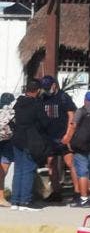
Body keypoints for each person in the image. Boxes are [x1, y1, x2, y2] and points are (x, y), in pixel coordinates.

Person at [10, 79, 49, 212]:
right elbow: (44, 123)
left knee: (18, 170)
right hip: (30, 141)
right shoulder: (37, 104)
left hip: (17, 139)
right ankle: (25, 201)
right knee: (28, 170)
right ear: (37, 91)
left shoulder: (18, 103)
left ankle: (15, 201)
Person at [40, 75, 77, 201]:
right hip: (49, 138)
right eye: (44, 88)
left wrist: (68, 135)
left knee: (70, 163)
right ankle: (56, 192)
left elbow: (72, 116)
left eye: (48, 87)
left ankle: (78, 192)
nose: (46, 90)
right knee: (51, 164)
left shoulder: (63, 97)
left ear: (54, 85)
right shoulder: (43, 98)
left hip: (63, 137)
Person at [0, 92, 16, 207]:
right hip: (7, 142)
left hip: (5, 142)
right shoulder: (12, 112)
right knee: (3, 172)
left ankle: (1, 197)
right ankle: (1, 198)